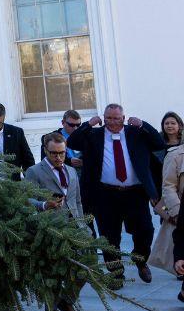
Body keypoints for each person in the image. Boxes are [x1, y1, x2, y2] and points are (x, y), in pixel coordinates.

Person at [66, 103, 165, 286]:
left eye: (116, 118)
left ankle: (140, 260)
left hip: (135, 193)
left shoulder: (136, 133)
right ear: (103, 118)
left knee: (145, 230)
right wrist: (88, 124)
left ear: (124, 118)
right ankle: (116, 273)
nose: (111, 122)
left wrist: (143, 125)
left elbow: (159, 143)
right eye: (108, 118)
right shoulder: (94, 135)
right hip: (105, 193)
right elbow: (72, 142)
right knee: (109, 236)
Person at [24, 133, 86, 311]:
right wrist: (44, 205)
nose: (59, 157)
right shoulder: (34, 171)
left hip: (74, 228)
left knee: (85, 268)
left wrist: (82, 226)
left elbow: (76, 201)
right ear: (45, 150)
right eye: (54, 154)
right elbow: (24, 199)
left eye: (62, 153)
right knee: (51, 273)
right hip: (49, 229)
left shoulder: (71, 170)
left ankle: (66, 302)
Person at [150, 111, 182, 299]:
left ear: (179, 125)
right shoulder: (159, 147)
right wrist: (154, 195)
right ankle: (177, 264)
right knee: (172, 232)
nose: (169, 126)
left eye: (173, 123)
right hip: (170, 198)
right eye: (166, 123)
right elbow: (160, 176)